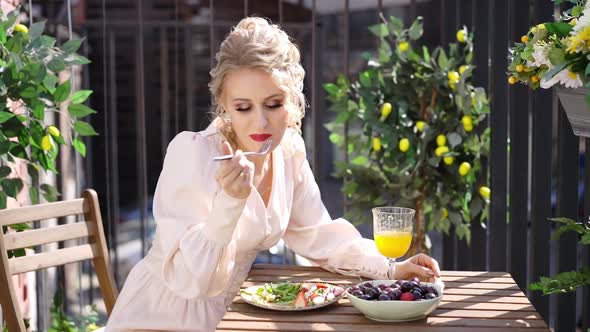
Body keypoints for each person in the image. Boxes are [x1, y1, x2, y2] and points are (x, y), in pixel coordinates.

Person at [106, 17, 440, 332]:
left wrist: (390, 269)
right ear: (223, 104)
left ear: (292, 101)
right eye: (243, 107)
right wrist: (229, 204)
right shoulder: (193, 154)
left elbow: (317, 233)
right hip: (164, 317)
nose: (261, 123)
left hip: (235, 315)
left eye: (274, 104)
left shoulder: (288, 150)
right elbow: (192, 281)